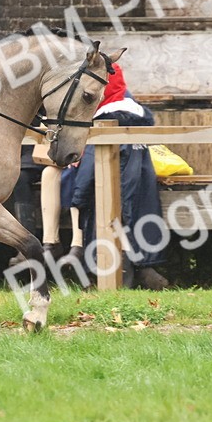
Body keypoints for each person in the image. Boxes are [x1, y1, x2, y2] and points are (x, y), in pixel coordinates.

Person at [60, 63, 170, 290]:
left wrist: (76, 199)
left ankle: (110, 281)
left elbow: (87, 174)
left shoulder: (105, 125)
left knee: (107, 221)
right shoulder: (137, 123)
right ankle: (144, 269)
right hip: (142, 201)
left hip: (109, 203)